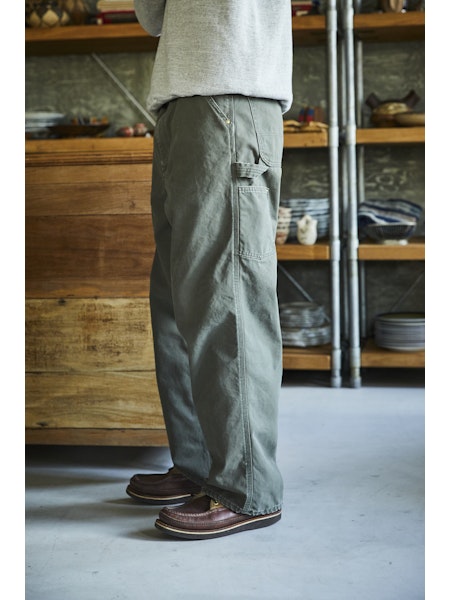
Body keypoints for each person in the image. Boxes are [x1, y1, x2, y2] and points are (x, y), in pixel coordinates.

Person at [126, 0, 293, 540]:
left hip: (231, 96)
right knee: (178, 301)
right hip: (182, 105)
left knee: (228, 297)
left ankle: (247, 487)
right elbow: (153, 16)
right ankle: (200, 464)